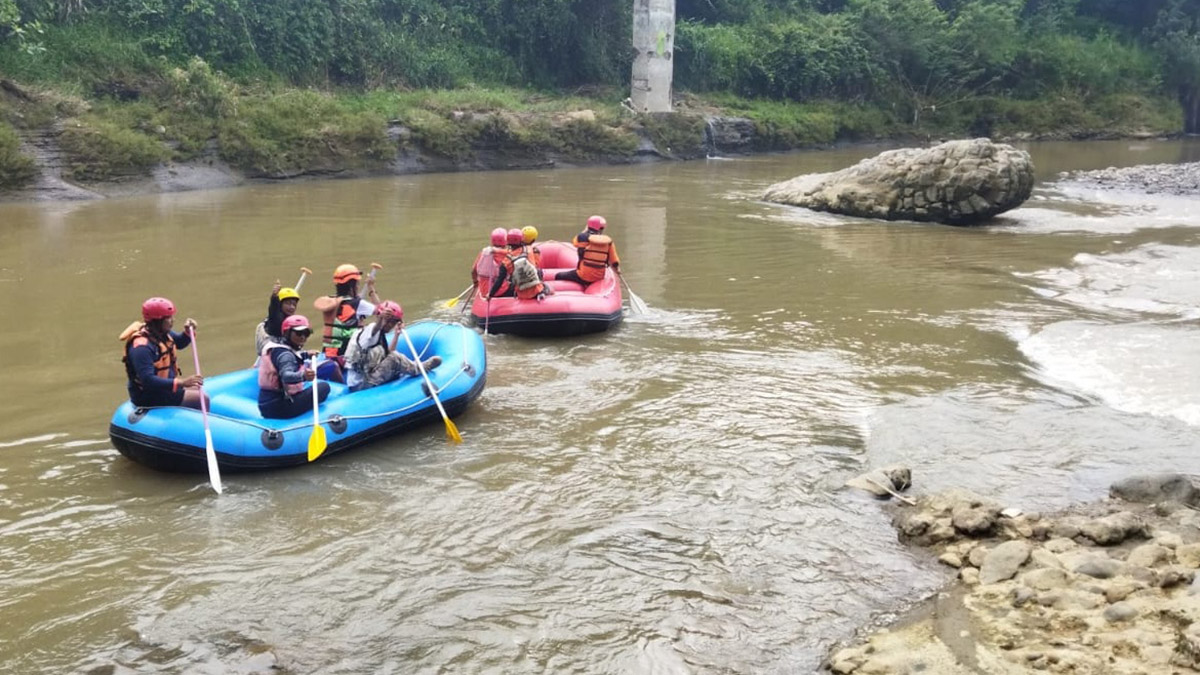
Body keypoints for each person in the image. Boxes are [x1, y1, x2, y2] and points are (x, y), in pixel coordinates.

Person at [121, 297, 207, 409]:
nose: (173, 320)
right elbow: (148, 380)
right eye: (168, 318)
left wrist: (187, 333)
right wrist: (181, 382)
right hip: (148, 395)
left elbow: (179, 343)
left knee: (198, 388)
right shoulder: (141, 348)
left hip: (162, 388)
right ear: (158, 321)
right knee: (202, 399)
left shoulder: (161, 333)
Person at [343, 300, 441, 391]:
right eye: (388, 321)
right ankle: (418, 368)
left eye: (393, 322)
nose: (390, 325)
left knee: (393, 357)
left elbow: (387, 354)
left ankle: (413, 366)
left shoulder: (378, 335)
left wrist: (396, 335)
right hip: (361, 384)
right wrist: (381, 319)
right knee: (394, 358)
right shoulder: (371, 330)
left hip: (367, 376)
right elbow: (375, 329)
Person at [258, 315, 330, 419]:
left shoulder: (277, 348)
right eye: (299, 333)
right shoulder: (285, 355)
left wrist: (305, 354)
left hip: (267, 405)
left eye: (306, 333)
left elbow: (291, 357)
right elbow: (286, 376)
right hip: (280, 407)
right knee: (324, 387)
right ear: (287, 333)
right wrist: (303, 376)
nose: (303, 337)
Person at [314, 264, 378, 379]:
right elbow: (381, 311)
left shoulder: (331, 301)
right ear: (351, 286)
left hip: (330, 354)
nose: (358, 286)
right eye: (357, 284)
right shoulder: (356, 304)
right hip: (346, 357)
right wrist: (371, 288)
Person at [554, 215, 621, 287]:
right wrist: (617, 270)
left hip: (582, 276)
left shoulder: (582, 237)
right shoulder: (608, 242)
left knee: (558, 275)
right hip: (599, 277)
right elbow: (614, 262)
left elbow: (575, 242)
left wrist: (585, 231)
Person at [489, 228, 548, 300]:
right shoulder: (530, 250)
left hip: (521, 295)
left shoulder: (506, 261)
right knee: (540, 275)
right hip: (537, 290)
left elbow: (499, 281)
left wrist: (490, 294)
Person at [254, 281, 300, 359]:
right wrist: (275, 297)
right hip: (273, 350)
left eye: (294, 304)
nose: (292, 307)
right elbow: (273, 308)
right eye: (288, 303)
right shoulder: (276, 318)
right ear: (280, 304)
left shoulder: (290, 319)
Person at [472, 227, 508, 299]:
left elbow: (473, 271)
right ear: (506, 241)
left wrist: (476, 282)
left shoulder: (484, 253)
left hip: (484, 291)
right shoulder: (508, 254)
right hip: (501, 290)